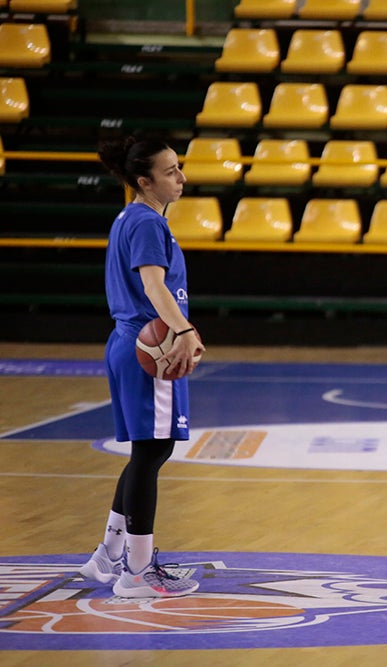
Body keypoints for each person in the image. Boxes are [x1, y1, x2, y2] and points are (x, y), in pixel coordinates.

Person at [79, 135, 204, 598]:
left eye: (179, 167)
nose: (181, 177)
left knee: (149, 453)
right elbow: (154, 289)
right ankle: (136, 571)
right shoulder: (147, 223)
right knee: (152, 454)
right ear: (143, 180)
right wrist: (185, 331)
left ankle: (108, 555)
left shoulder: (132, 218)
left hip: (130, 344)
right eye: (171, 171)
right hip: (149, 348)